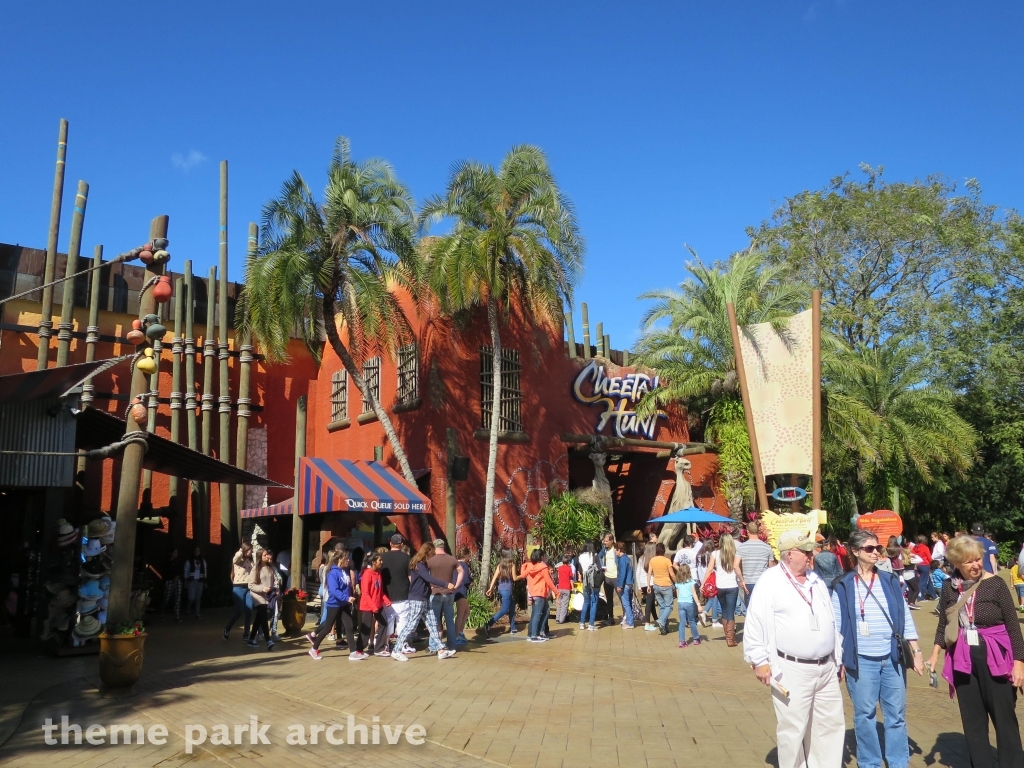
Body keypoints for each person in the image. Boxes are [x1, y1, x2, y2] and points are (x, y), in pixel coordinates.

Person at [743, 531, 845, 768]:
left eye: (812, 551)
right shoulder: (770, 581)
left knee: (829, 724)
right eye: (806, 551)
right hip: (791, 668)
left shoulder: (815, 579)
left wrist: (836, 657)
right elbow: (754, 623)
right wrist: (760, 660)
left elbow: (830, 618)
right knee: (793, 726)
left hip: (826, 666)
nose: (812, 556)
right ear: (789, 555)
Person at [928, 535, 1024, 768]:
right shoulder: (949, 587)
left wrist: (1019, 662)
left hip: (996, 655)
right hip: (963, 656)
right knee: (972, 720)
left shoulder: (996, 584)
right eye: (969, 562)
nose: (976, 565)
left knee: (1004, 718)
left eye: (978, 560)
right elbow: (944, 624)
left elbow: (1013, 626)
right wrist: (935, 653)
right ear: (957, 563)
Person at [833, 530, 923, 768]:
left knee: (896, 716)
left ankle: (898, 762)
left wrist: (916, 651)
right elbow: (836, 626)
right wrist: (838, 660)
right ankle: (870, 762)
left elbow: (904, 617)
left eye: (878, 548)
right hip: (861, 660)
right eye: (869, 548)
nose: (876, 552)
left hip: (892, 658)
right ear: (855, 551)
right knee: (865, 716)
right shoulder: (843, 584)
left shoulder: (889, 579)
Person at [392, 542, 457, 661]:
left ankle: (441, 650)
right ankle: (396, 650)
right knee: (411, 626)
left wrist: (428, 588)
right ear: (427, 552)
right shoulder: (418, 564)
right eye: (432, 553)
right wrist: (446, 584)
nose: (433, 556)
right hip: (417, 599)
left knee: (433, 625)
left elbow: (424, 581)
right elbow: (428, 578)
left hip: (424, 598)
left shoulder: (423, 564)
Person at [307, 550, 361, 660]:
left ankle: (353, 652)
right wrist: (347, 597)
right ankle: (314, 649)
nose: (348, 560)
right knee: (327, 628)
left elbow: (345, 586)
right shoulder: (332, 573)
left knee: (349, 626)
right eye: (346, 558)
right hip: (334, 604)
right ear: (340, 560)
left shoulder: (343, 571)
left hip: (344, 604)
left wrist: (348, 597)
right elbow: (334, 590)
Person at [707, 533, 745, 647]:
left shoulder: (715, 553)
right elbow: (738, 569)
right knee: (731, 611)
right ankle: (730, 639)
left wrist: (703, 583)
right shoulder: (735, 553)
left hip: (720, 586)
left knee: (724, 610)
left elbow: (709, 570)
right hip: (732, 585)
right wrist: (742, 580)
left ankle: (727, 635)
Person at [427, 539, 462, 652]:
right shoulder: (452, 559)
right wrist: (456, 585)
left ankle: (433, 646)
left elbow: (424, 574)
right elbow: (461, 571)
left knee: (434, 622)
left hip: (435, 593)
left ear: (434, 547)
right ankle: (452, 645)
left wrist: (429, 586)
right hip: (449, 594)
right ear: (443, 546)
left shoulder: (430, 560)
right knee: (449, 621)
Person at [381, 534, 412, 653]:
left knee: (388, 620)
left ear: (390, 544)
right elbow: (410, 578)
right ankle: (402, 645)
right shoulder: (406, 558)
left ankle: (386, 645)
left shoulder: (383, 557)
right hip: (403, 594)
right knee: (402, 620)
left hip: (386, 595)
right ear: (402, 545)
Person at [522, 549, 558, 642]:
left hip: (534, 593)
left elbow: (522, 575)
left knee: (545, 611)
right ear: (541, 557)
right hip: (540, 593)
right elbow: (548, 581)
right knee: (537, 614)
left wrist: (524, 565)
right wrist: (556, 591)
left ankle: (538, 633)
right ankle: (534, 635)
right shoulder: (543, 567)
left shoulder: (529, 566)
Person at [358, 552, 390, 656]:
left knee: (384, 623)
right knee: (366, 628)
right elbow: (366, 593)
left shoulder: (378, 573)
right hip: (368, 605)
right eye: (379, 560)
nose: (382, 562)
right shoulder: (367, 574)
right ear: (373, 562)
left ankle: (379, 648)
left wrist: (386, 600)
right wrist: (373, 607)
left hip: (378, 605)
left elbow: (379, 591)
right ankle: (359, 649)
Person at [247, 549, 278, 651]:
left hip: (268, 595)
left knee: (259, 617)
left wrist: (275, 588)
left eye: (267, 554)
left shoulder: (270, 567)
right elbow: (251, 585)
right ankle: (268, 640)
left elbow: (275, 579)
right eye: (265, 555)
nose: (267, 556)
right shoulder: (255, 569)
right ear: (260, 556)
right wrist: (262, 588)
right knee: (263, 616)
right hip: (258, 595)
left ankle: (251, 638)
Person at [224, 542, 254, 641]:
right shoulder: (239, 559)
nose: (251, 551)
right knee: (239, 611)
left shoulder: (251, 561)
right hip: (238, 587)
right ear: (245, 550)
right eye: (250, 550)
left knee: (249, 611)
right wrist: (241, 550)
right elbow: (235, 558)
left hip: (248, 588)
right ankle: (227, 628)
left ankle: (246, 635)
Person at [737, 522, 775, 597]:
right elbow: (772, 567)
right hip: (763, 582)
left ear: (747, 531)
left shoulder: (741, 547)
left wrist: (742, 580)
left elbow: (735, 566)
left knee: (750, 607)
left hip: (748, 583)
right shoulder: (767, 547)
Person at [485, 553, 519, 636]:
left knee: (512, 607)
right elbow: (515, 578)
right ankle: (489, 624)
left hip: (501, 589)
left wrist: (490, 588)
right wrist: (523, 575)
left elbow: (494, 577)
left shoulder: (500, 565)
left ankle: (513, 628)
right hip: (507, 590)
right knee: (504, 610)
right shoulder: (512, 564)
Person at [646, 543, 676, 635]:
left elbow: (649, 573)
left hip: (656, 585)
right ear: (664, 551)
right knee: (669, 606)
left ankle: (664, 629)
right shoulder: (667, 560)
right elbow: (672, 574)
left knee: (662, 606)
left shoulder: (652, 560)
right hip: (666, 585)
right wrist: (677, 582)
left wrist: (648, 585)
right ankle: (661, 620)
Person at [675, 564, 703, 647]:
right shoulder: (691, 582)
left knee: (682, 622)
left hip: (681, 603)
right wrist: (698, 605)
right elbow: (694, 594)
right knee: (692, 621)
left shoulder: (677, 583)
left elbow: (677, 595)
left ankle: (682, 641)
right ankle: (696, 638)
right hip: (689, 603)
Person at [578, 542, 600, 631]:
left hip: (585, 581)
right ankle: (591, 624)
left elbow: (580, 570)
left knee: (586, 602)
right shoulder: (594, 556)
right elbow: (599, 568)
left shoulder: (580, 557)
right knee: (594, 602)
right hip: (594, 581)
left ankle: (582, 623)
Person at [598, 533, 618, 625]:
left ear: (611, 541)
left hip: (616, 577)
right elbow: (598, 556)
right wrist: (602, 566)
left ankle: (627, 617)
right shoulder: (605, 549)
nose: (604, 543)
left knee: (622, 597)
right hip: (607, 577)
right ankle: (611, 617)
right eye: (604, 541)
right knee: (609, 598)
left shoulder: (616, 549)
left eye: (606, 541)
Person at [454, 547, 473, 643]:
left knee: (466, 611)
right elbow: (465, 580)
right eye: (468, 555)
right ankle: (457, 635)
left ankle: (460, 632)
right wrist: (470, 579)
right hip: (461, 590)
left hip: (455, 590)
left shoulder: (454, 564)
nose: (469, 558)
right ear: (465, 555)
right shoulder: (464, 565)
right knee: (461, 614)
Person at [182, 547, 207, 619]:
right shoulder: (189, 561)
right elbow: (186, 571)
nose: (197, 552)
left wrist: (205, 582)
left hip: (200, 581)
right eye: (195, 550)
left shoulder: (203, 561)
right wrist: (186, 582)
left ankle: (197, 613)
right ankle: (188, 608)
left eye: (198, 550)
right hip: (192, 581)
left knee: (198, 598)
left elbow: (205, 572)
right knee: (191, 597)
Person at [160, 548, 182, 621]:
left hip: (177, 581)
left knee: (178, 597)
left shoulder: (178, 562)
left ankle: (177, 615)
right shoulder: (167, 562)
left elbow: (181, 571)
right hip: (169, 581)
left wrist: (178, 576)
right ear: (171, 553)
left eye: (177, 552)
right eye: (175, 552)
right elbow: (164, 573)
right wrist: (165, 582)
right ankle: (162, 611)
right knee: (167, 597)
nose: (176, 554)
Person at [554, 554, 576, 624]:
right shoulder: (569, 569)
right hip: (567, 588)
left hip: (560, 588)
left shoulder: (559, 568)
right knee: (564, 604)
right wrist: (572, 587)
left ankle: (557, 618)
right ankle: (561, 620)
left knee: (559, 603)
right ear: (568, 562)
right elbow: (571, 579)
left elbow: (558, 577)